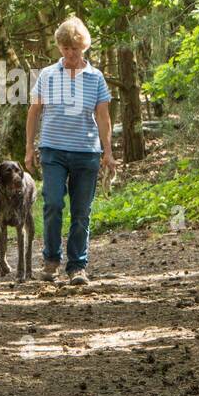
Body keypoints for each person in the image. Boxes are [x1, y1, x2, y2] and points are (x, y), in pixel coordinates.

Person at [24, 17, 118, 286]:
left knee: (81, 211)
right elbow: (34, 112)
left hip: (86, 152)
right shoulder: (47, 75)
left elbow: (103, 117)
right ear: (59, 47)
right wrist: (29, 148)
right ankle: (51, 260)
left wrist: (107, 152)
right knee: (53, 203)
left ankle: (77, 266)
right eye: (65, 48)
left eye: (74, 48)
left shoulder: (96, 78)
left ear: (84, 47)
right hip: (53, 149)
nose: (69, 53)